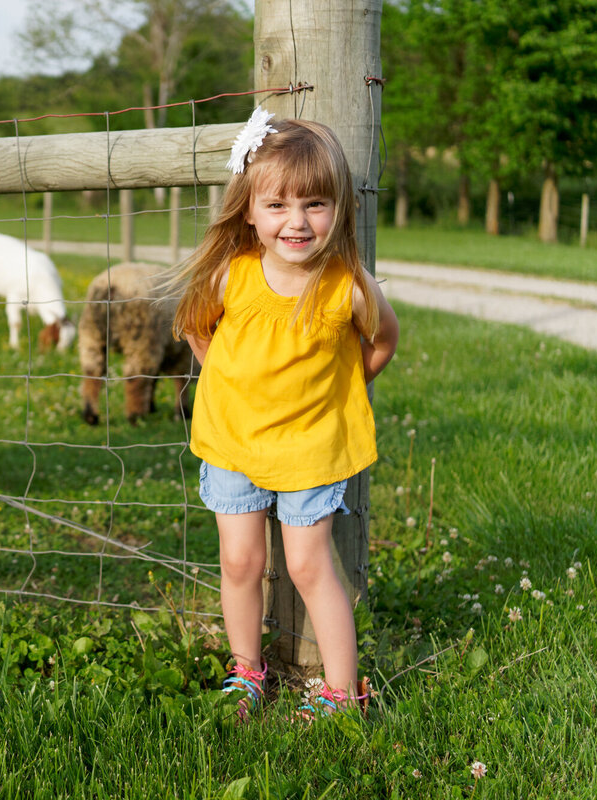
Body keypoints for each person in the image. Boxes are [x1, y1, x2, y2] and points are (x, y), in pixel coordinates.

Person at [171, 108, 399, 722]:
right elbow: (195, 328)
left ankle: (341, 691)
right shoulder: (230, 276)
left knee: (307, 564)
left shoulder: (347, 285)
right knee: (240, 561)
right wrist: (227, 383)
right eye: (277, 206)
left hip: (311, 448)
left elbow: (381, 341)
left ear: (339, 209)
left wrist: (340, 391)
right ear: (248, 210)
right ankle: (247, 671)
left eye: (315, 205)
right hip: (234, 441)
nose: (296, 222)